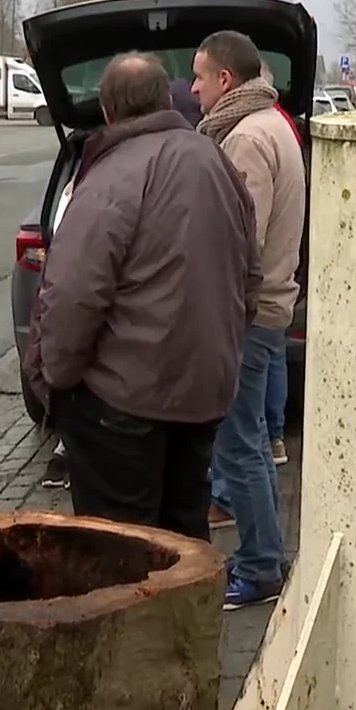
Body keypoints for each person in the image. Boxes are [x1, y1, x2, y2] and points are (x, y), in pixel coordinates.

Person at [23, 52, 258, 540]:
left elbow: (71, 296)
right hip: (202, 396)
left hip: (122, 408)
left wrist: (54, 382)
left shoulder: (112, 175)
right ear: (163, 99)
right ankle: (189, 616)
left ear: (108, 112)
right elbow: (249, 274)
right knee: (183, 540)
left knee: (120, 555)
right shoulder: (217, 160)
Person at [193, 31, 306, 610]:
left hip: (249, 316)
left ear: (226, 81)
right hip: (267, 309)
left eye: (199, 77)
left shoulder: (245, 140)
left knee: (240, 447)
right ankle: (261, 558)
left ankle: (262, 567)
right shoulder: (273, 125)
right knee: (251, 444)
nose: (193, 90)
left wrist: (215, 312)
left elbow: (243, 243)